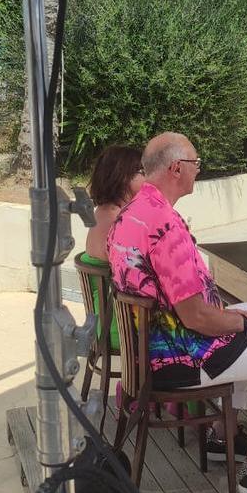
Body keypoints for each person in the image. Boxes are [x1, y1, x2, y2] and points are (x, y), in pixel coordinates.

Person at [107, 132, 247, 493]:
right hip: (183, 357)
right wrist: (237, 324)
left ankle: (225, 436)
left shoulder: (131, 215)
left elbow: (185, 307)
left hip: (150, 350)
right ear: (176, 168)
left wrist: (242, 318)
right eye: (195, 163)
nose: (198, 170)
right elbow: (197, 318)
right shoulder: (164, 227)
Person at [79, 145, 145, 350]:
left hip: (106, 324)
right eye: (142, 172)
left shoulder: (103, 213)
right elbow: (139, 275)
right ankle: (143, 382)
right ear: (124, 177)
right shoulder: (117, 223)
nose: (148, 178)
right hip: (122, 328)